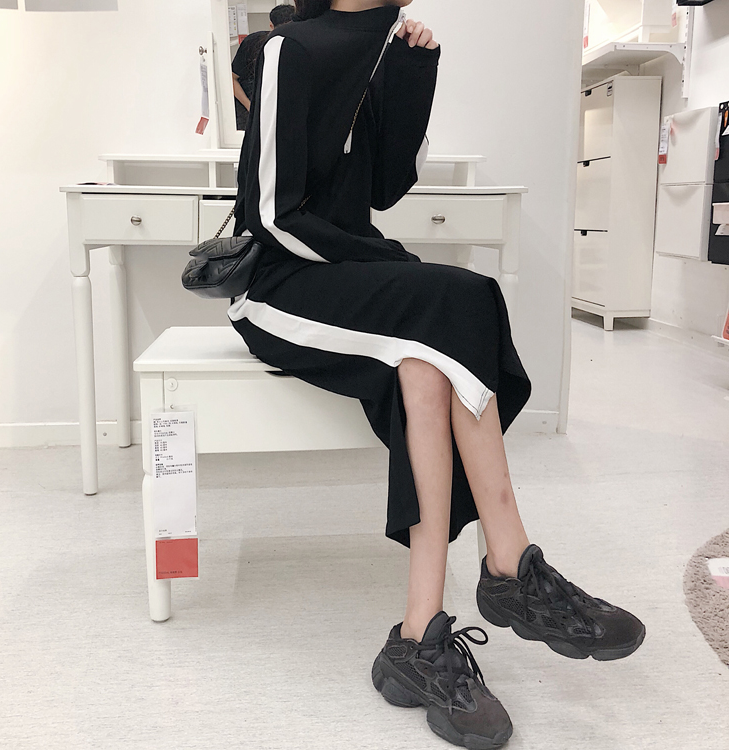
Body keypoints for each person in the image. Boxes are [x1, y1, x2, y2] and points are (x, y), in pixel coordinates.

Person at [227, 1, 646, 747]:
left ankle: (418, 638)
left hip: (344, 271)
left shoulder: (384, 47)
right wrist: (388, 262)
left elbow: (383, 189)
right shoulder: (288, 49)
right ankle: (511, 564)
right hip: (279, 286)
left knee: (428, 367)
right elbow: (272, 214)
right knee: (458, 297)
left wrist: (412, 71)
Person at [232, 3, 296, 130]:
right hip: (249, 112)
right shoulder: (253, 42)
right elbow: (232, 79)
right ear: (271, 27)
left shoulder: (296, 47)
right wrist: (251, 107)